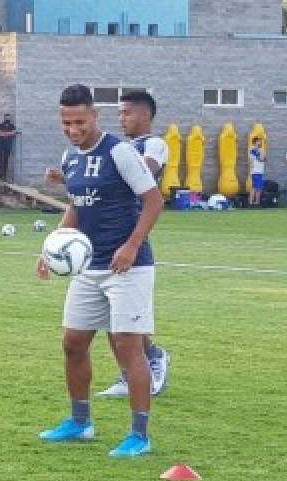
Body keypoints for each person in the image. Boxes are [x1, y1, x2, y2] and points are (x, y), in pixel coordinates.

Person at [38, 84, 163, 458]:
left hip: (128, 266)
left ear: (95, 117)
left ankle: (139, 435)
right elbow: (78, 205)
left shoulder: (120, 151)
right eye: (66, 122)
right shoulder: (71, 158)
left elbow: (153, 201)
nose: (73, 129)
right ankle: (80, 423)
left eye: (80, 121)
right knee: (72, 343)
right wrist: (52, 246)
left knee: (127, 347)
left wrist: (131, 245)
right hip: (88, 266)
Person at [98, 90, 170, 399]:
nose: (121, 118)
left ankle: (151, 359)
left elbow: (144, 173)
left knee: (126, 316)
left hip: (132, 234)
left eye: (126, 112)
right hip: (107, 236)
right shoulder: (120, 149)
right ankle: (131, 373)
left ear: (144, 115)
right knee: (113, 317)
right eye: (119, 113)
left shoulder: (153, 144)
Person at [0, 114, 18, 181]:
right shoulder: (0, 125)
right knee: (1, 160)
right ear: (4, 118)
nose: (7, 118)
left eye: (8, 117)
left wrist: (4, 133)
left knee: (6, 161)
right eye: (6, 117)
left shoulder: (12, 126)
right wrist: (9, 133)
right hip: (1, 146)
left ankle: (4, 176)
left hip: (8, 146)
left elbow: (14, 133)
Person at [249, 137, 266, 207]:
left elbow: (265, 159)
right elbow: (260, 159)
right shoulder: (253, 149)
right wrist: (262, 156)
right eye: (259, 141)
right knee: (257, 188)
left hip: (260, 171)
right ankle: (254, 203)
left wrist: (263, 156)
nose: (260, 142)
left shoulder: (261, 150)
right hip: (256, 171)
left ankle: (254, 203)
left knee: (256, 187)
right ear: (255, 142)